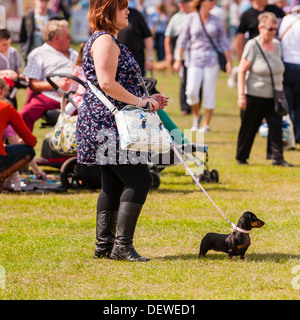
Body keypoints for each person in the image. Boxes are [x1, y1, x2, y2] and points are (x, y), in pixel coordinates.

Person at [76, 0, 168, 262]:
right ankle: (121, 247)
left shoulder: (108, 40)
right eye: (122, 7)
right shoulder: (105, 40)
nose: (128, 11)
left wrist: (149, 97)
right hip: (107, 123)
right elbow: (106, 83)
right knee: (140, 179)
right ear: (107, 11)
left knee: (113, 184)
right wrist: (141, 102)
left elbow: (117, 83)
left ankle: (104, 246)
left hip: (108, 121)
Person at [236, 12, 292, 167]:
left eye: (275, 29)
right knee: (250, 127)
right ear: (260, 28)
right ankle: (242, 156)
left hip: (275, 94)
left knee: (276, 127)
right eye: (270, 29)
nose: (273, 32)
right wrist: (241, 95)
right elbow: (241, 70)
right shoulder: (252, 45)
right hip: (255, 93)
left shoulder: (278, 45)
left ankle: (277, 157)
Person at [174, 0, 232, 133]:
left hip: (212, 60)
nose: (213, 2)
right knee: (191, 91)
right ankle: (196, 116)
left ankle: (206, 124)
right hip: (194, 59)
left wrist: (229, 61)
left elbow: (224, 42)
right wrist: (178, 59)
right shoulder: (191, 18)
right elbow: (183, 39)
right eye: (210, 0)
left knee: (209, 92)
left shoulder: (217, 20)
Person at [19, 19, 78, 132]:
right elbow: (33, 84)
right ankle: (23, 145)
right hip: (50, 96)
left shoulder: (74, 53)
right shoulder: (38, 54)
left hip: (76, 97)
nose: (70, 39)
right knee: (24, 114)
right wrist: (57, 84)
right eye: (67, 36)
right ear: (56, 38)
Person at [0, 98, 37, 193]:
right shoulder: (6, 108)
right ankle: (2, 176)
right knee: (29, 151)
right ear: (2, 91)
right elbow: (31, 141)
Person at [164, 0, 194, 116]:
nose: (181, 5)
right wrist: (169, 54)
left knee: (195, 82)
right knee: (184, 81)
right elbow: (168, 37)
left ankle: (195, 104)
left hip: (195, 55)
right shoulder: (176, 18)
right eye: (180, 2)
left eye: (184, 2)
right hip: (182, 56)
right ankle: (185, 107)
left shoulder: (196, 15)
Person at [279, 3, 300, 144]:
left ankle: (288, 135)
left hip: (286, 66)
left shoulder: (286, 20)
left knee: (288, 103)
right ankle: (297, 134)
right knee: (298, 105)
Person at [117, 7, 154, 76]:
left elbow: (147, 36)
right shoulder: (110, 16)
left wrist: (149, 57)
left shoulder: (135, 14)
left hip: (136, 61)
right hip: (116, 62)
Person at [0, 29, 25, 109]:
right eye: (4, 44)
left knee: (12, 107)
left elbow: (18, 69)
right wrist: (7, 72)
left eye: (9, 44)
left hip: (12, 89)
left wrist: (21, 75)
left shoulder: (13, 52)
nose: (8, 46)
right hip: (1, 89)